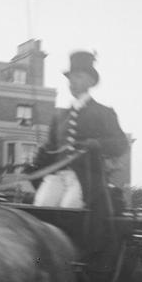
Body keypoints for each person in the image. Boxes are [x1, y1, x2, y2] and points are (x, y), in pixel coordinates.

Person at [32, 50, 128, 209]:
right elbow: (51, 147)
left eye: (78, 77)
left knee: (70, 210)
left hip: (86, 178)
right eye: (70, 78)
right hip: (57, 176)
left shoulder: (104, 113)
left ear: (90, 81)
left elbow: (121, 143)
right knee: (41, 207)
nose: (72, 82)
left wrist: (96, 144)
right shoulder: (60, 116)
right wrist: (35, 164)